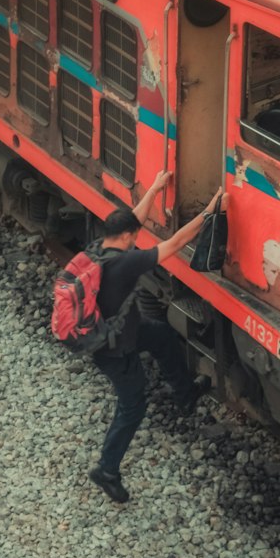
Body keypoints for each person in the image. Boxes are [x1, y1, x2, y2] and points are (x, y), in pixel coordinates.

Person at [88, 171, 224, 504]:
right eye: (134, 235)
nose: (137, 239)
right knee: (132, 408)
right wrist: (210, 212)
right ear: (128, 237)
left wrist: (155, 188)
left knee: (161, 335)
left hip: (121, 332)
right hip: (115, 350)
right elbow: (176, 243)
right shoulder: (126, 263)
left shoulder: (99, 248)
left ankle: (185, 393)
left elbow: (134, 219)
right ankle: (106, 469)